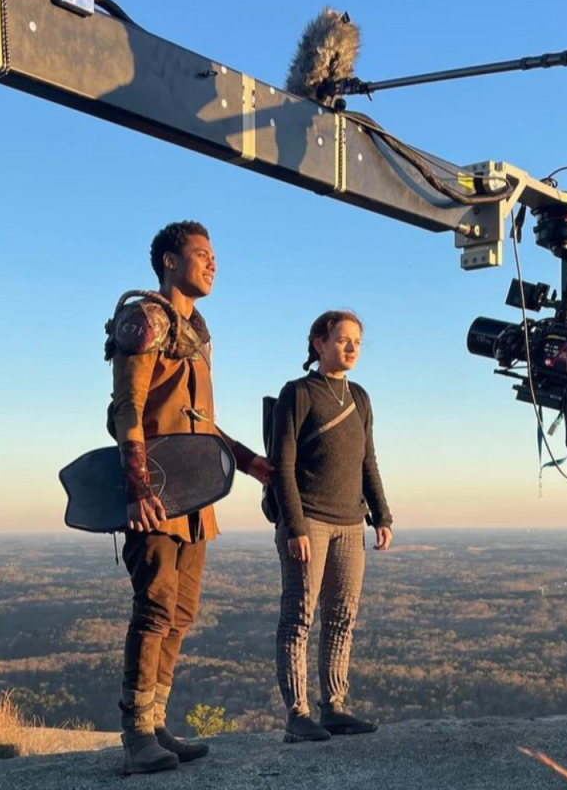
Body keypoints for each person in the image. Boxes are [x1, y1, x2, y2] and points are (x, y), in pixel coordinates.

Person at [105, 220, 271, 774]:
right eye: (202, 253)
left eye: (214, 255)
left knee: (179, 613)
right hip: (153, 493)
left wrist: (250, 465)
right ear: (170, 262)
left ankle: (157, 725)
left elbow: (202, 425)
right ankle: (135, 736)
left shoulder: (198, 332)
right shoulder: (145, 320)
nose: (213, 263)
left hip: (196, 500)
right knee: (153, 609)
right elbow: (125, 409)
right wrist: (136, 489)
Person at [269, 310, 392, 743]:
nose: (352, 347)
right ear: (319, 344)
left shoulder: (359, 397)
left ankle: (334, 706)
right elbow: (281, 464)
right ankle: (297, 714)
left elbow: (367, 461)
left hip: (349, 523)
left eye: (357, 340)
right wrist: (296, 525)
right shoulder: (298, 393)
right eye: (343, 339)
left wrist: (381, 514)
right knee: (299, 617)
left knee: (342, 617)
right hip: (309, 523)